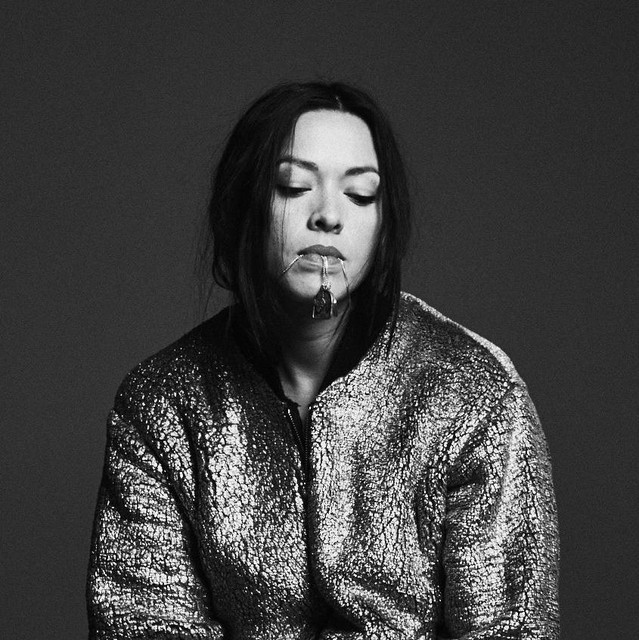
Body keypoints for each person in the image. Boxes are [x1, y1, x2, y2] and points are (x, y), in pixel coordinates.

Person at [87, 82, 559, 640]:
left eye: (360, 194)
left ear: (383, 223)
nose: (329, 216)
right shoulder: (161, 402)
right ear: (244, 205)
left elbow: (509, 628)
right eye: (294, 187)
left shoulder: (475, 395)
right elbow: (143, 622)